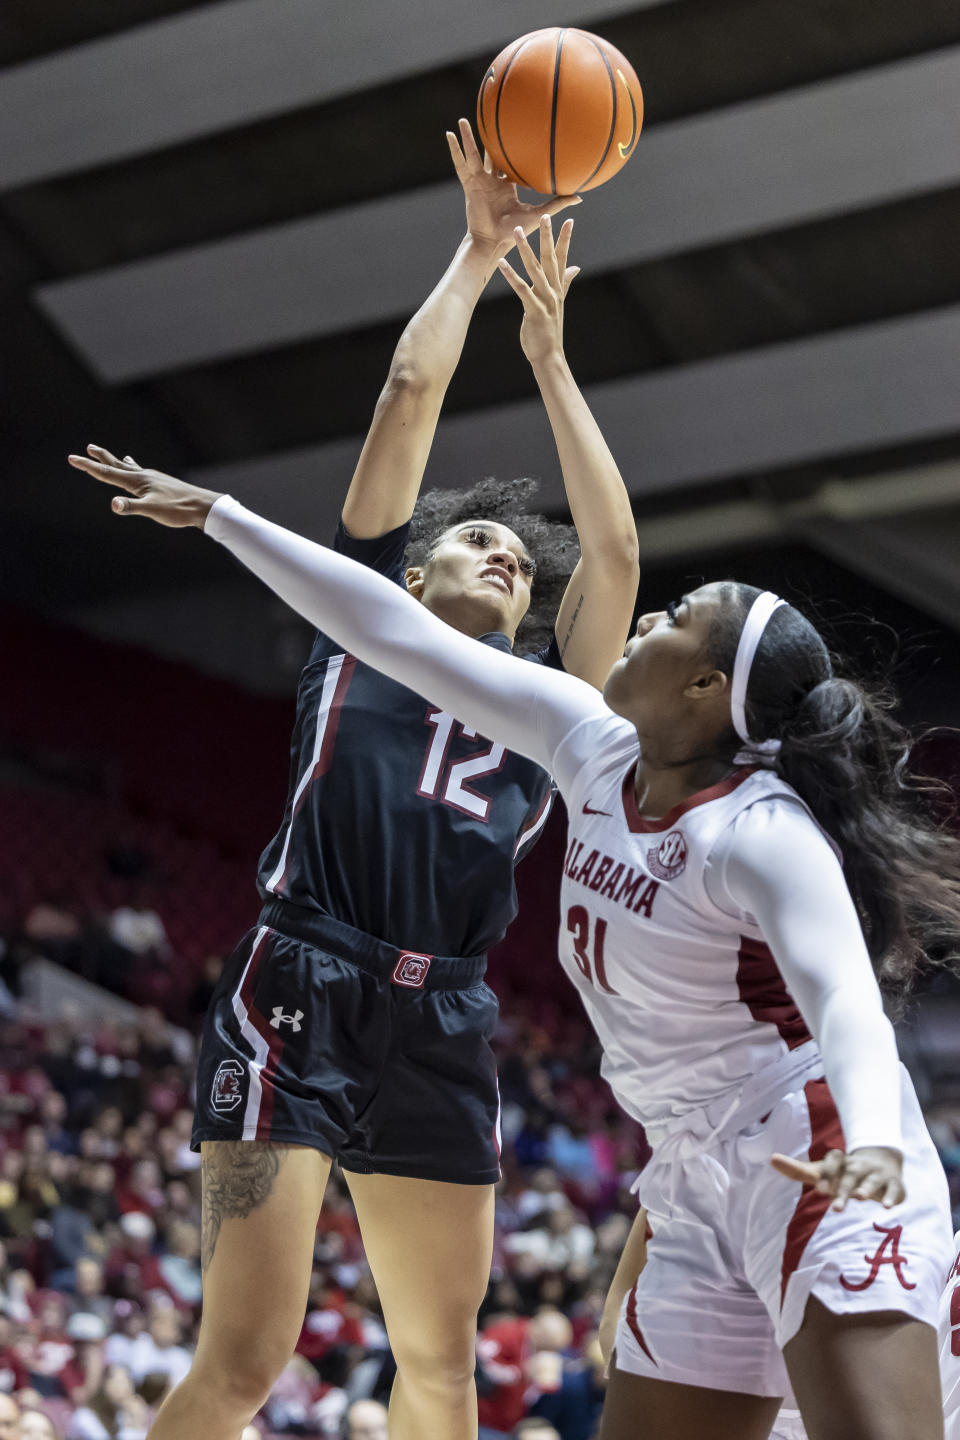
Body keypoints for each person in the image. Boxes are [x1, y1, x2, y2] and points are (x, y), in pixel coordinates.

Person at [73, 449, 960, 1440]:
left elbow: (846, 998)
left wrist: (875, 1141)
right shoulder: (589, 742)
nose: (645, 618)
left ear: (707, 686)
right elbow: (384, 624)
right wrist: (224, 517)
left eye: (674, 620)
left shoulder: (760, 831)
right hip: (690, 1169)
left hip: (818, 1145)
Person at [69, 119, 639, 1440]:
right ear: (414, 574)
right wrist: (476, 251)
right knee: (245, 1359)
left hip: (443, 1022)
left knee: (438, 1368)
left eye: (516, 557)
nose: (504, 554)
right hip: (299, 986)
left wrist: (552, 362)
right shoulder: (357, 624)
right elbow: (403, 398)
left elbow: (610, 550)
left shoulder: (557, 705)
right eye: (475, 539)